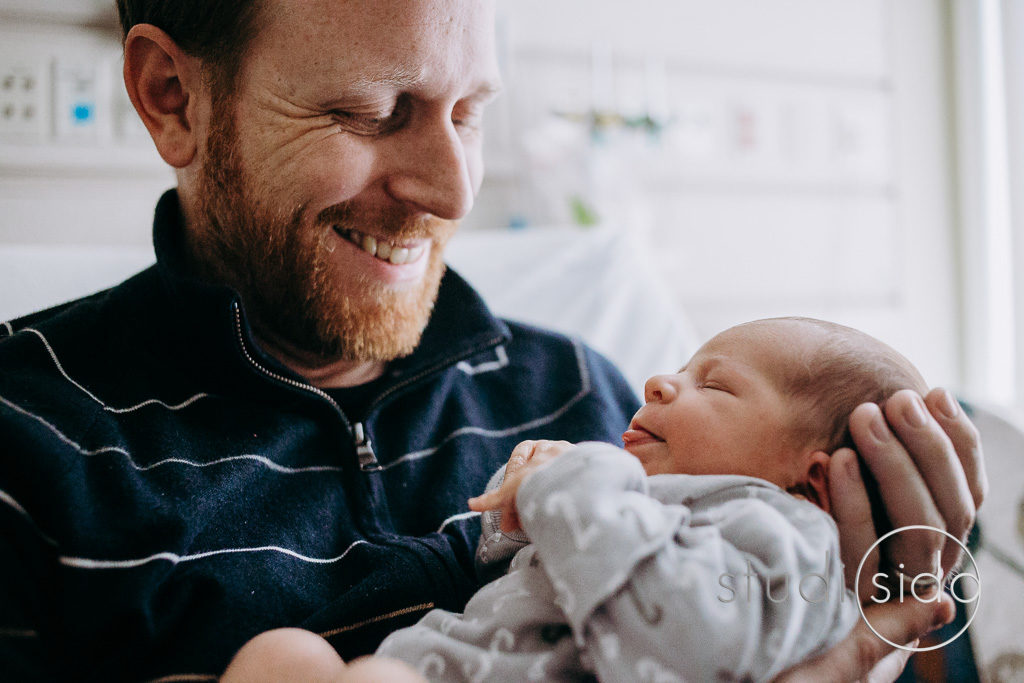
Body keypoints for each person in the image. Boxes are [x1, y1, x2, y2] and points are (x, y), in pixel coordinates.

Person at [0, 0, 984, 681]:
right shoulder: (27, 441)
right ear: (172, 93)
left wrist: (874, 639)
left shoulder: (592, 398)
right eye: (370, 110)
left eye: (470, 112)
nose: (454, 189)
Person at [219, 317, 955, 682]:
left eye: (715, 384)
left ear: (813, 480)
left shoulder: (780, 534)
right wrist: (516, 523)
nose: (659, 382)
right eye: (679, 367)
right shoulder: (654, 505)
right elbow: (542, 585)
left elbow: (683, 640)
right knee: (282, 658)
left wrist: (574, 482)